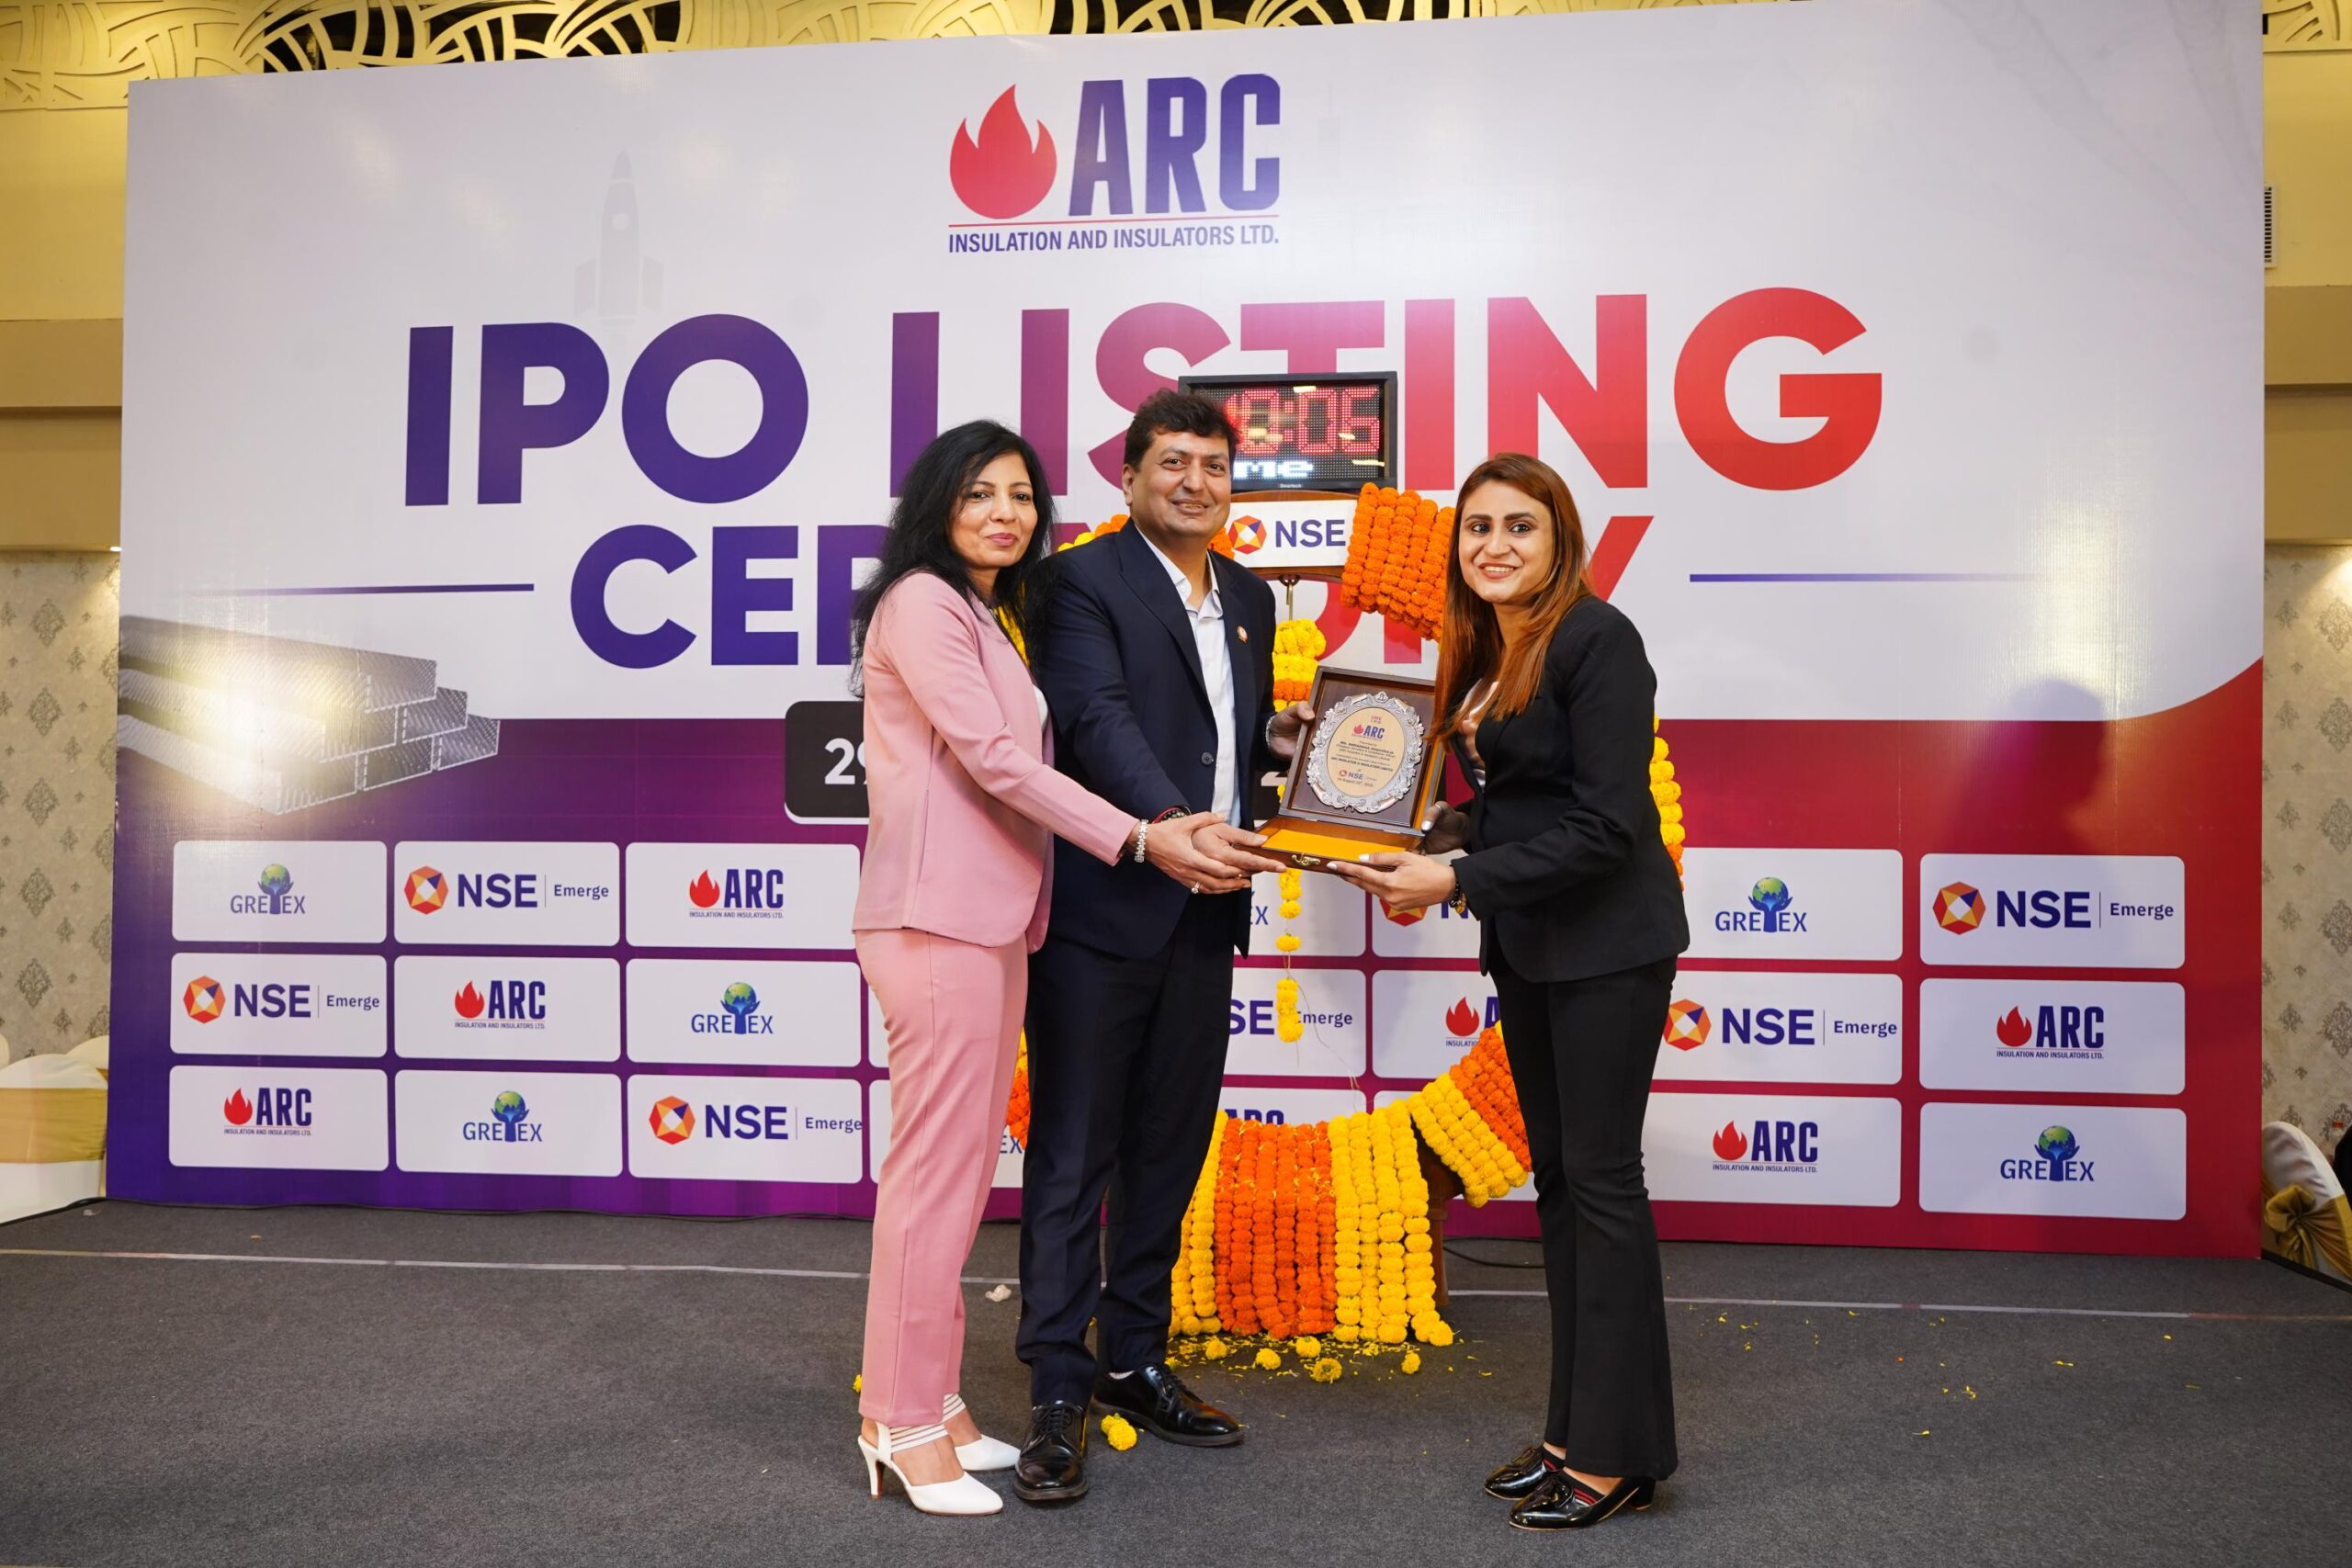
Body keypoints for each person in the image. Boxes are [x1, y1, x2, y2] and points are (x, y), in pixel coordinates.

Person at [848, 419, 1250, 1517]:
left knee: (955, 1182)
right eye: (979, 493)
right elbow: (994, 759)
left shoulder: (980, 609)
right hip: (935, 921)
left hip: (986, 923)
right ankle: (898, 1423)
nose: (1004, 513)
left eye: (1020, 496)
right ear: (937, 504)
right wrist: (1137, 836)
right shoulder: (922, 602)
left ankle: (936, 1402)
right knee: (932, 1186)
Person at [1330, 452, 1690, 1533]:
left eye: (1518, 526)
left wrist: (1455, 880)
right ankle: (1579, 1434)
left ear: (1558, 539)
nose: (1494, 545)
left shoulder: (1597, 637)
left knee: (1601, 1186)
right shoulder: (1489, 648)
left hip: (1608, 948)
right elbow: (1515, 807)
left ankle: (1616, 1457)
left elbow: (1607, 823)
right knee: (1565, 1192)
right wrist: (1412, 839)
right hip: (1533, 947)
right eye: (1477, 527)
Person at [1012, 389, 1304, 1506]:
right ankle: (1055, 1384)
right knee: (1073, 1154)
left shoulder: (1250, 596)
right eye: (1172, 462)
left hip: (1206, 911)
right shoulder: (1077, 582)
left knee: (1168, 1151)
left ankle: (1132, 1358)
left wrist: (1304, 768)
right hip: (1106, 908)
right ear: (1130, 478)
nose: (1195, 481)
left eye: (1213, 466)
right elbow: (1096, 721)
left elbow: (1237, 749)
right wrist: (1171, 828)